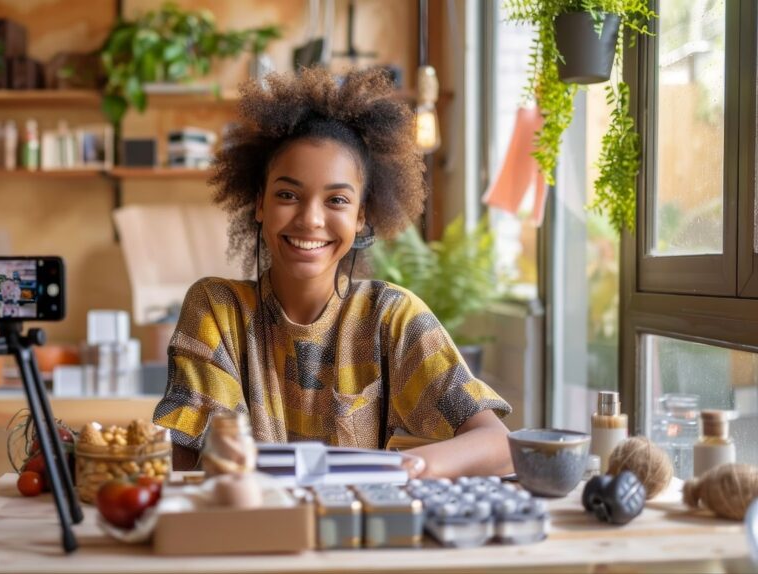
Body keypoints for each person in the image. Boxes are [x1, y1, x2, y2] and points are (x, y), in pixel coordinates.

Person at [152, 68, 513, 479]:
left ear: (361, 217)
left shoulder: (389, 317)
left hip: (353, 533)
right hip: (250, 527)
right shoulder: (218, 311)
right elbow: (189, 456)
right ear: (259, 204)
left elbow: (498, 443)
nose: (310, 219)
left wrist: (412, 465)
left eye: (336, 200)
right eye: (288, 195)